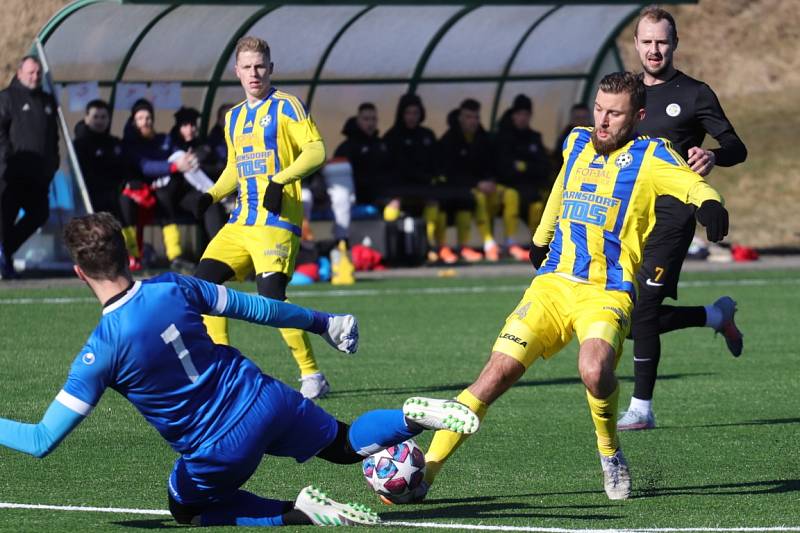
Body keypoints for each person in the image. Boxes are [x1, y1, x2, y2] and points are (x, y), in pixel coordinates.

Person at [0, 212, 480, 527]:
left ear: (80, 272)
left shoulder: (99, 351)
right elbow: (263, 309)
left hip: (219, 448)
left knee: (184, 507)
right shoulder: (176, 286)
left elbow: (42, 441)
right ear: (128, 253)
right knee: (343, 445)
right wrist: (325, 323)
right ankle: (411, 418)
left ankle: (297, 512)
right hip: (265, 396)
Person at [409, 72, 730, 503]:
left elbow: (692, 186)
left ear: (637, 116)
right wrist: (541, 239)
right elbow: (561, 190)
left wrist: (711, 206)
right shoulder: (577, 141)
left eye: (614, 114)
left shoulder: (652, 155)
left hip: (606, 290)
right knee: (492, 378)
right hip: (553, 286)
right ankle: (423, 476)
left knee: (595, 370)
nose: (602, 120)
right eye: (598, 109)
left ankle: (610, 453)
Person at [617, 5, 748, 431]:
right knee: (634, 321)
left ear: (674, 44)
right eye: (647, 41)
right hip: (625, 220)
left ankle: (641, 408)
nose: (654, 50)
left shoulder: (694, 93)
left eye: (662, 41)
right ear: (635, 44)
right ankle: (714, 316)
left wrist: (712, 154)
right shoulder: (626, 92)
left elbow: (735, 144)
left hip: (674, 217)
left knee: (645, 311)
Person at [193, 37, 332, 399]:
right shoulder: (233, 117)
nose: (254, 73)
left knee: (271, 298)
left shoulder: (287, 106)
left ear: (270, 68)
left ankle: (312, 374)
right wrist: (211, 194)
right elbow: (234, 168)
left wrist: (281, 179)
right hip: (240, 222)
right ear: (236, 72)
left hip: (275, 221)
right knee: (203, 287)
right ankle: (219, 370)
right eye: (247, 67)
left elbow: (317, 150)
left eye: (260, 66)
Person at [0, 55, 59, 279]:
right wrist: (6, 157)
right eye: (30, 72)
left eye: (37, 73)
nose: (34, 77)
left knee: (39, 213)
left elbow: (53, 136)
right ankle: (5, 261)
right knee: (5, 218)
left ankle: (5, 253)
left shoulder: (46, 101)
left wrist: (53, 163)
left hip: (38, 175)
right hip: (12, 173)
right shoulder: (7, 98)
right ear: (19, 73)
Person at [122, 99, 198, 272]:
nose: (145, 121)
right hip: (137, 193)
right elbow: (146, 166)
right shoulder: (130, 143)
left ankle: (176, 256)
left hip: (162, 192)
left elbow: (176, 154)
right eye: (140, 118)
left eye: (148, 117)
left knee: (166, 197)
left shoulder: (163, 139)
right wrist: (174, 167)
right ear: (134, 121)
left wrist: (187, 159)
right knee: (124, 203)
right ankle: (133, 256)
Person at [383, 94, 444, 263]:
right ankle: (391, 250)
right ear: (401, 114)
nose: (412, 117)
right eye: (408, 113)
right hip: (398, 188)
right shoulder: (392, 137)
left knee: (434, 202)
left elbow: (435, 164)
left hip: (422, 187)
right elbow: (390, 168)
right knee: (393, 205)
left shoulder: (427, 136)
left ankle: (429, 246)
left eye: (415, 113)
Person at [495, 94, 553, 261]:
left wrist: (522, 166)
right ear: (513, 115)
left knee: (537, 204)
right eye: (519, 114)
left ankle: (537, 246)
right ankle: (511, 243)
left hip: (530, 187)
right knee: (511, 197)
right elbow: (504, 169)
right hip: (508, 186)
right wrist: (528, 168)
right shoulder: (503, 137)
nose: (523, 118)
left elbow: (543, 167)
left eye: (526, 114)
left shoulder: (535, 137)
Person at [437, 99, 494, 262]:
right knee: (473, 198)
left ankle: (514, 244)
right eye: (469, 117)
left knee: (509, 195)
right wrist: (476, 184)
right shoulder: (449, 140)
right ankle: (486, 243)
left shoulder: (483, 139)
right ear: (460, 117)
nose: (473, 121)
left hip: (481, 186)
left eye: (476, 117)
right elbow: (450, 173)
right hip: (456, 188)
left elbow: (491, 164)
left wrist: (490, 180)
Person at [73, 99, 129, 222]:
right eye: (95, 117)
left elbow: (124, 169)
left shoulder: (116, 143)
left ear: (109, 119)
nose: (99, 121)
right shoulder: (79, 145)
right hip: (90, 200)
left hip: (115, 197)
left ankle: (128, 239)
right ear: (87, 118)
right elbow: (84, 174)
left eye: (103, 117)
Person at [553, 103, 592, 169]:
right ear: (571, 119)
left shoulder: (597, 136)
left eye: (584, 118)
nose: (581, 121)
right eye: (577, 118)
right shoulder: (564, 138)